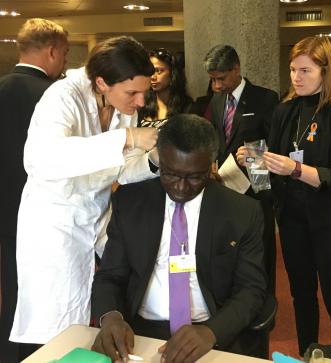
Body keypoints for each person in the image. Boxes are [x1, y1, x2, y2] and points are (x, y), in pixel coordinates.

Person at [10, 36, 159, 354]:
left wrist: (153, 162)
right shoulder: (62, 96)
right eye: (132, 92)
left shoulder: (122, 105)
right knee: (56, 324)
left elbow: (120, 168)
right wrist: (127, 137)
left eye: (144, 92)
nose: (140, 101)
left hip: (97, 215)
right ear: (103, 82)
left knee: (110, 296)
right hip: (56, 221)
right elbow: (42, 158)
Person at [91, 114, 267, 363]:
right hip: (139, 335)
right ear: (160, 161)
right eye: (171, 174)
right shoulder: (130, 203)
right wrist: (110, 317)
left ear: (211, 166)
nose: (181, 188)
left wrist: (212, 331)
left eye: (195, 177)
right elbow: (110, 275)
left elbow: (251, 290)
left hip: (210, 333)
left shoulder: (241, 212)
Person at [238, 36, 331, 355]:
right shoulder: (285, 111)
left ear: (326, 71)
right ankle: (309, 354)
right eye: (292, 70)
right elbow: (267, 181)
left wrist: (295, 169)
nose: (296, 77)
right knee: (302, 297)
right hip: (292, 220)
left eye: (305, 70)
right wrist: (252, 163)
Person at [0, 18, 68, 363]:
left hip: (6, 210)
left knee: (11, 286)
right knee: (47, 296)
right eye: (65, 53)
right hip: (47, 213)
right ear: (53, 50)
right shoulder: (54, 96)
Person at [204, 44, 278, 293]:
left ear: (236, 69)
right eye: (212, 80)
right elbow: (217, 140)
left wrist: (255, 157)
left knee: (261, 247)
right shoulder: (216, 101)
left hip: (257, 189)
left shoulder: (265, 98)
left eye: (220, 78)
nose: (216, 85)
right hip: (226, 186)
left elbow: (275, 145)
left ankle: (264, 299)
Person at [138, 48, 192, 128]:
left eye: (159, 71)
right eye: (150, 71)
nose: (153, 77)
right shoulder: (142, 106)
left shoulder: (188, 107)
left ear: (172, 74)